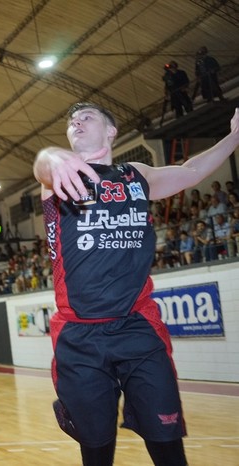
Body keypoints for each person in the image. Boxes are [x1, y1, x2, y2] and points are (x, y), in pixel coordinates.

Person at [33, 102, 239, 466]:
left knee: (167, 443)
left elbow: (191, 170)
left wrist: (234, 137)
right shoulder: (58, 180)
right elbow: (44, 166)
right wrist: (50, 155)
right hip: (79, 336)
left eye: (87, 117)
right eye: (71, 121)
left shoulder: (136, 175)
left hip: (138, 327)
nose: (76, 122)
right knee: (96, 450)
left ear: (111, 131)